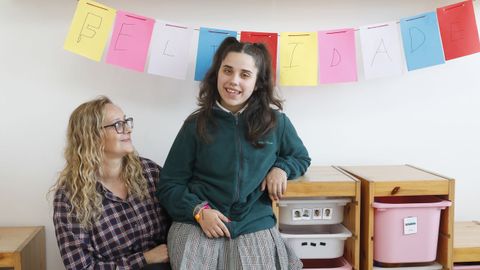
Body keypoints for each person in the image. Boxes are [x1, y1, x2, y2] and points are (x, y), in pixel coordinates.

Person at [158, 37, 311, 269]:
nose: (233, 81)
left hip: (254, 223)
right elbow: (170, 185)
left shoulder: (277, 123)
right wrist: (198, 211)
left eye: (245, 74)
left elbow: (300, 157)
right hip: (199, 223)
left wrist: (281, 168)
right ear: (217, 73)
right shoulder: (195, 124)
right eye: (227, 71)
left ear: (258, 82)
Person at [51, 96, 171, 270]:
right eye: (118, 125)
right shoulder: (70, 198)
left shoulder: (150, 172)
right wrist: (145, 258)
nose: (128, 129)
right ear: (92, 136)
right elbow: (81, 267)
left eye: (126, 122)